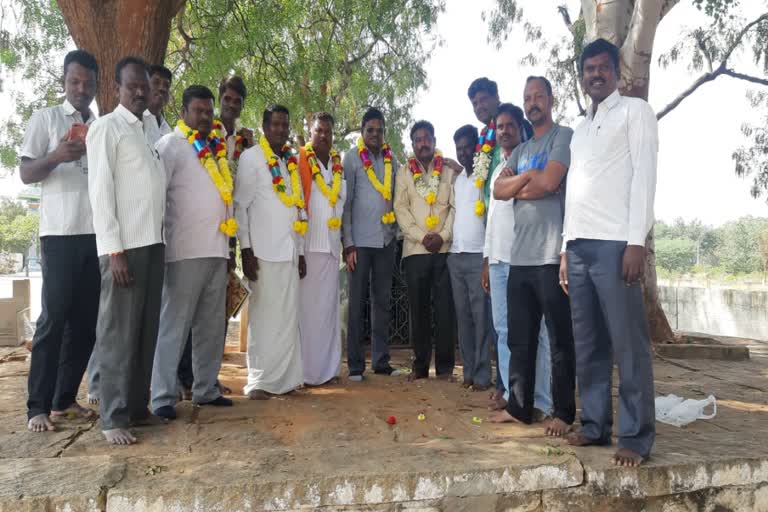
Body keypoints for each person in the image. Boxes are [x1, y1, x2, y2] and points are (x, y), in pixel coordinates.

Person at [561, 38, 658, 467]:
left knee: (628, 345)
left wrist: (636, 240)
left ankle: (636, 437)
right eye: (589, 69)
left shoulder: (636, 113)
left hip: (616, 244)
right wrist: (565, 249)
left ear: (616, 71)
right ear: (581, 77)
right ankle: (596, 425)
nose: (595, 74)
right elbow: (573, 195)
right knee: (589, 344)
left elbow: (644, 179)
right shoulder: (580, 130)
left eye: (603, 67)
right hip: (579, 246)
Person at [489, 77, 575, 437]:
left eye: (539, 96)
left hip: (549, 255)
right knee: (519, 339)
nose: (532, 102)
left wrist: (522, 186)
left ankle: (563, 413)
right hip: (519, 257)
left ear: (551, 100)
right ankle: (519, 407)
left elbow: (551, 182)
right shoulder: (522, 150)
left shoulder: (563, 137)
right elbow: (498, 190)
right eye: (527, 97)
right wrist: (528, 177)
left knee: (558, 340)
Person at [87, 56, 166, 445]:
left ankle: (137, 408)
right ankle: (113, 416)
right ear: (117, 88)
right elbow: (100, 193)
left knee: (144, 332)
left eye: (145, 87)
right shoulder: (107, 128)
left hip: (153, 245)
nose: (140, 92)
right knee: (118, 333)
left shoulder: (147, 131)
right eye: (132, 85)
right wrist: (113, 249)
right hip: (125, 249)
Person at [21, 49, 100, 432]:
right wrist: (56, 156)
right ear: (64, 82)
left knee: (86, 324)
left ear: (96, 85)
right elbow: (25, 173)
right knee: (53, 321)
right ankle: (37, 406)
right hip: (59, 235)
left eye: (87, 82)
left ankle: (64, 400)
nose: (81, 89)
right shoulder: (46, 119)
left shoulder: (100, 126)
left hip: (96, 236)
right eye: (74, 81)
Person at [148, 85, 235, 420]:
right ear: (183, 112)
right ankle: (162, 395)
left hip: (217, 248)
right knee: (174, 325)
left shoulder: (216, 148)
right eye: (198, 111)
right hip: (183, 251)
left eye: (208, 111)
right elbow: (156, 196)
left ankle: (206, 389)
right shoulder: (170, 145)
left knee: (211, 326)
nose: (204, 117)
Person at [482, 103, 553, 419]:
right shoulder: (499, 169)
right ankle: (515, 397)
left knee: (535, 334)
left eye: (510, 125)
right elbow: (493, 215)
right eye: (500, 127)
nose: (504, 131)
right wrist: (487, 260)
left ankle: (541, 400)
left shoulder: (530, 161)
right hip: (498, 261)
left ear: (521, 129)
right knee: (504, 330)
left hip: (524, 259)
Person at [234, 104, 306, 399]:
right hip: (262, 252)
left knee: (287, 318)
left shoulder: (290, 160)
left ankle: (286, 380)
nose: (280, 130)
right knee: (263, 320)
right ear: (264, 126)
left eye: (284, 125)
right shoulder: (251, 158)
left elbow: (296, 207)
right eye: (275, 124)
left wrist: (300, 251)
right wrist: (246, 251)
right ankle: (260, 381)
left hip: (288, 251)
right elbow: (241, 207)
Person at [394, 120, 457, 380]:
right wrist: (422, 237)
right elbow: (401, 209)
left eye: (427, 138)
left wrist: (442, 236)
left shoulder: (449, 170)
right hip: (415, 251)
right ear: (413, 144)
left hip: (444, 251)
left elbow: (455, 208)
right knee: (418, 312)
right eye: (418, 139)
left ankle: (444, 369)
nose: (423, 143)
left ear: (434, 140)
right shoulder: (403, 173)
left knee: (445, 311)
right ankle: (420, 367)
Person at [341, 108, 401, 382]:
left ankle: (381, 361)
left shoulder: (393, 161)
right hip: (360, 244)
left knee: (382, 303)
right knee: (356, 304)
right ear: (362, 132)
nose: (375, 135)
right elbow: (346, 204)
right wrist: (349, 244)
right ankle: (355, 365)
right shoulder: (352, 159)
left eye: (379, 130)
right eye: (370, 130)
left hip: (386, 240)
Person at [297, 112, 346, 386]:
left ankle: (327, 371)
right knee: (306, 312)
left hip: (330, 248)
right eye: (319, 131)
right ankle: (305, 372)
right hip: (308, 246)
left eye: (328, 131)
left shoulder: (337, 164)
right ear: (311, 132)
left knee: (327, 312)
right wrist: (299, 250)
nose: (323, 135)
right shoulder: (301, 160)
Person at [448, 124, 492, 391]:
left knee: (481, 318)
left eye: (467, 147)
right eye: (459, 149)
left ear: (475, 147)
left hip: (478, 255)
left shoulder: (483, 176)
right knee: (463, 318)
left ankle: (483, 376)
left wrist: (487, 256)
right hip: (456, 256)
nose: (463, 153)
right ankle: (468, 373)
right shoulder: (458, 179)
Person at [143, 64, 172, 145]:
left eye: (166, 85)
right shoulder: (135, 122)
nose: (162, 88)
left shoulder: (168, 131)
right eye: (156, 83)